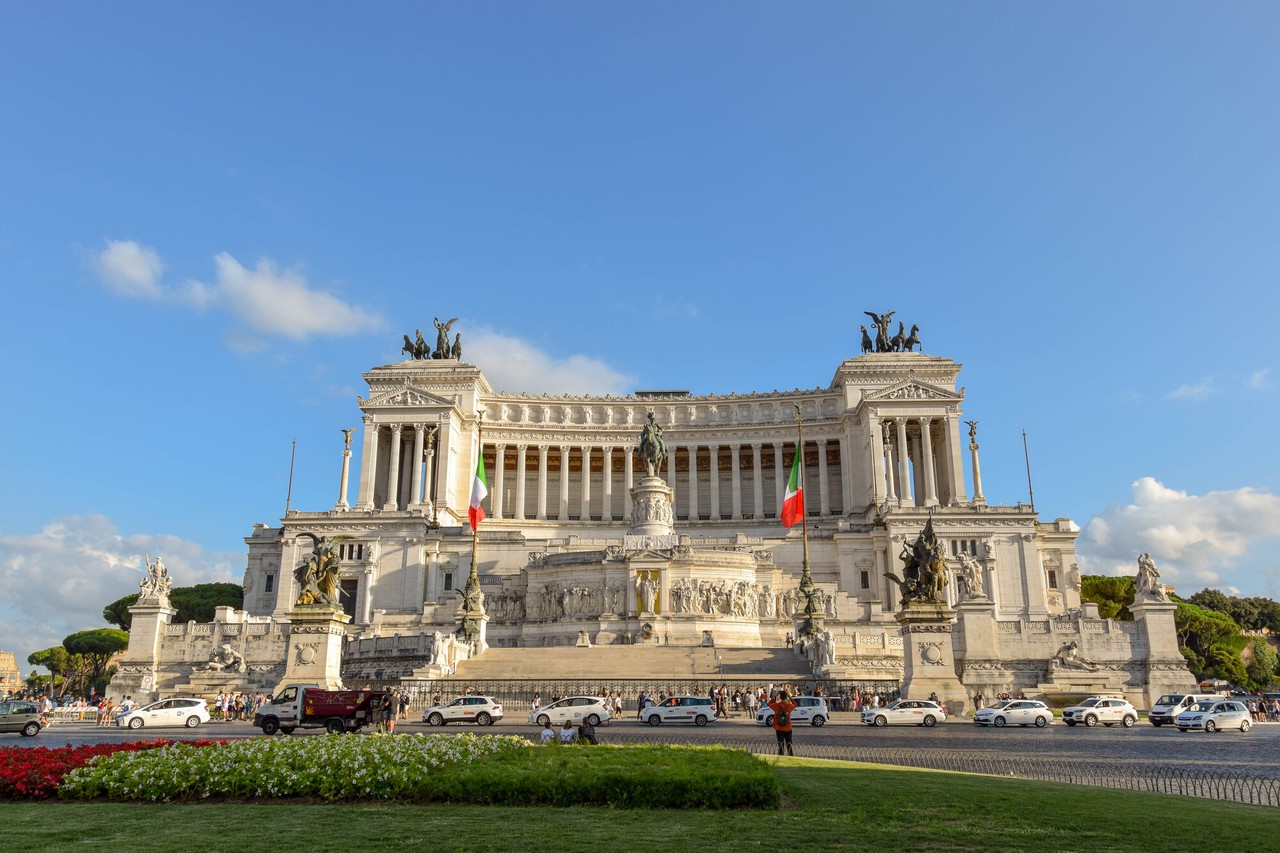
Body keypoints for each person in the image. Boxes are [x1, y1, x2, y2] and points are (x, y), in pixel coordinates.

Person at [768, 689, 797, 756]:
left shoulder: (776, 705)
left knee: (780, 744)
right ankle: (791, 755)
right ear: (785, 697)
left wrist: (775, 697)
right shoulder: (789, 705)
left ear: (780, 697)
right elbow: (795, 704)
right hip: (788, 727)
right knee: (789, 743)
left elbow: (769, 704)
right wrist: (790, 697)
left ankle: (781, 756)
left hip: (779, 727)